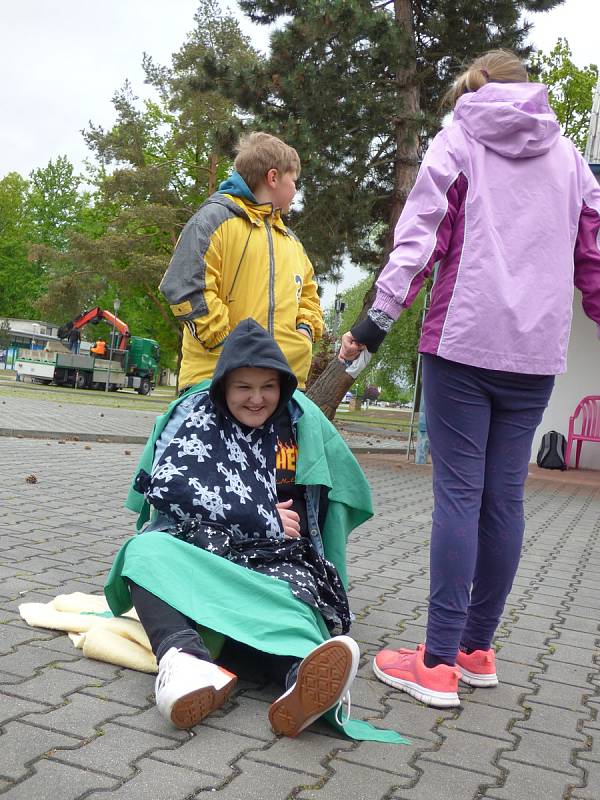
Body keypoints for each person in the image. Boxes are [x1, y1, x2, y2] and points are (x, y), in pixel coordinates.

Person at [339, 49, 600, 709]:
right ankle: (476, 650)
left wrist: (373, 323)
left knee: (459, 497)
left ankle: (433, 663)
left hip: (462, 342)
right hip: (535, 355)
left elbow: (418, 239)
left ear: (475, 90)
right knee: (503, 499)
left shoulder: (457, 141)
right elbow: (594, 257)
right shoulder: (571, 162)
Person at [104, 319, 376, 738]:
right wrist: (259, 514)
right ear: (223, 388)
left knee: (295, 598)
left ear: (283, 387)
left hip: (274, 564)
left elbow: (314, 522)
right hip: (205, 551)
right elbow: (167, 485)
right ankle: (184, 663)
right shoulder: (198, 418)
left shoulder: (297, 427)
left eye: (268, 386)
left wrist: (274, 528)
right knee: (143, 553)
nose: (256, 398)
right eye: (243, 387)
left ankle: (303, 682)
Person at [159, 132, 324, 392]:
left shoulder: (291, 242)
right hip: (215, 384)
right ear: (273, 178)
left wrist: (304, 332)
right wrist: (234, 351)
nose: (295, 190)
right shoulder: (212, 221)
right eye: (294, 181)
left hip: (282, 389)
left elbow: (309, 297)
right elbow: (185, 287)